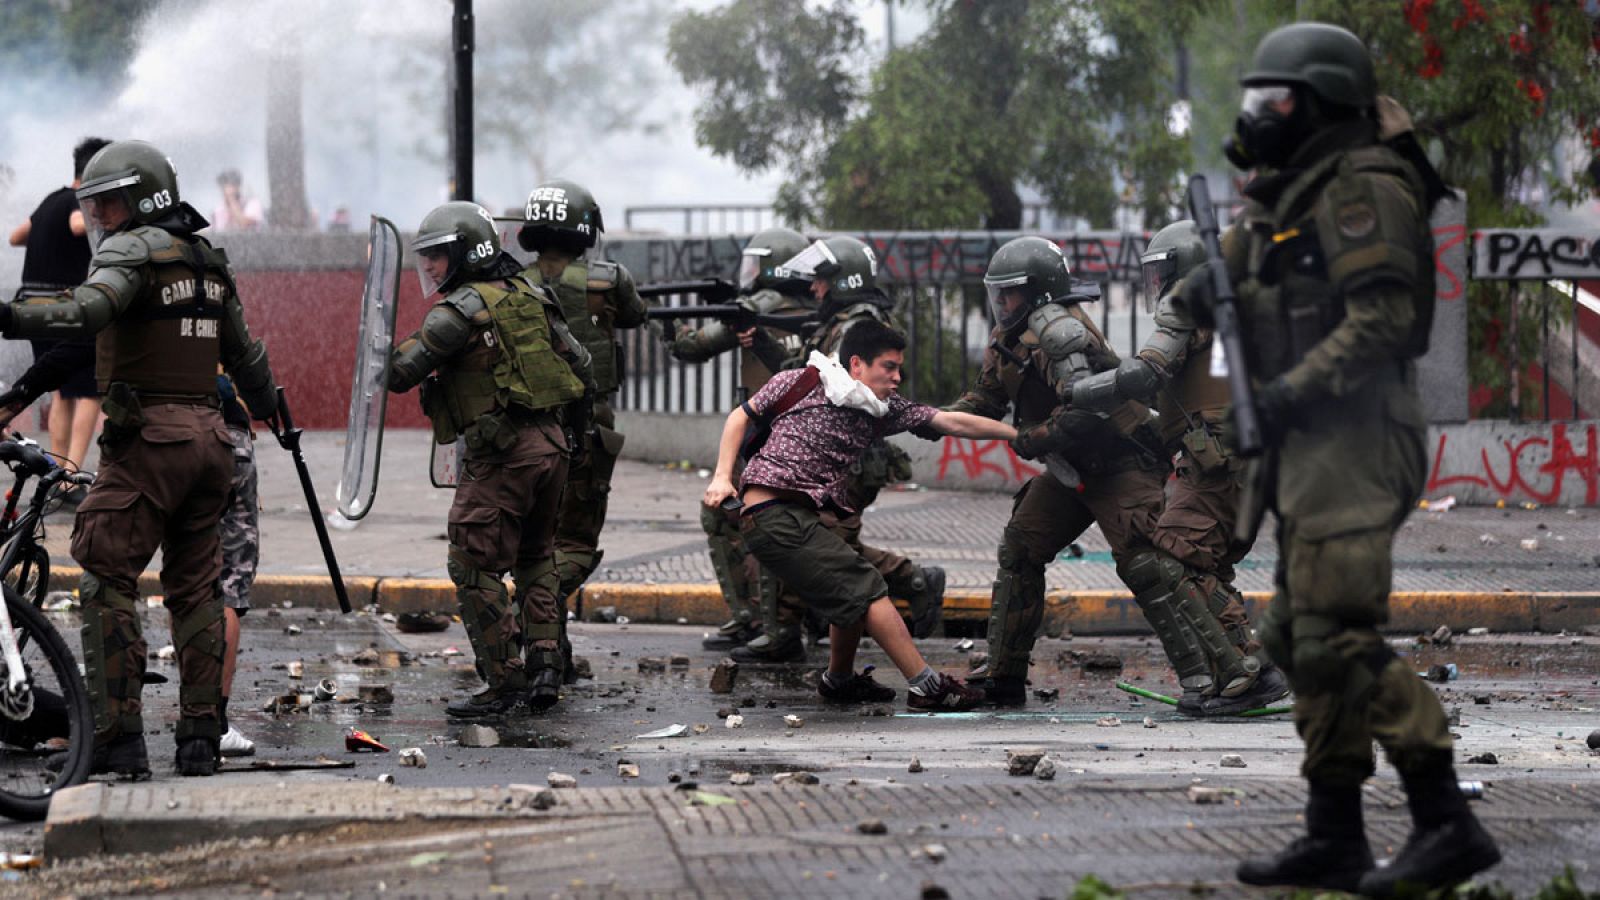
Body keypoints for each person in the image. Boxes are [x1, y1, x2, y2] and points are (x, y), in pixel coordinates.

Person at [1179, 22, 1500, 894]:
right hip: (1311, 443)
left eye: (1275, 100)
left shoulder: (1364, 184)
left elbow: (1385, 321)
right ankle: (1335, 833)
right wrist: (1213, 278)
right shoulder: (1292, 192)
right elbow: (1251, 286)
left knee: (1332, 634)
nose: (1260, 116)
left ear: (1319, 103)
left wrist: (1285, 392)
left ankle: (1447, 820)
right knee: (1296, 636)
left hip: (1356, 438)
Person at [0, 139, 281, 777]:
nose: (99, 219)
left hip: (149, 442)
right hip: (214, 444)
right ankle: (200, 740)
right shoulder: (208, 261)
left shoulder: (133, 250)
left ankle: (117, 740)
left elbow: (86, 313)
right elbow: (248, 360)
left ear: (141, 198)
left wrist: (8, 315)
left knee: (106, 576)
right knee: (198, 590)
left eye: (107, 205)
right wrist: (272, 411)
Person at [703, 318, 1012, 711]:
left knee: (847, 593)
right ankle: (927, 686)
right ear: (856, 365)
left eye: (900, 367)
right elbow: (739, 416)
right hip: (771, 514)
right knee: (867, 588)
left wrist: (1017, 438)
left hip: (798, 518)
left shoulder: (879, 410)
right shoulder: (802, 381)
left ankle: (840, 680)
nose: (898, 376)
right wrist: (720, 477)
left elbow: (951, 420)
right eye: (889, 366)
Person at [1069, 221, 1289, 716]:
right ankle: (1241, 671)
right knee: (1206, 564)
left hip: (1214, 463)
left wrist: (1081, 390)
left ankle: (1247, 672)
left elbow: (1145, 372)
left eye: (1161, 272)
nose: (1158, 284)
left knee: (1172, 557)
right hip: (1251, 461)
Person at [945, 236, 1172, 709]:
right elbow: (986, 400)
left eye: (1010, 292)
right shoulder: (1008, 338)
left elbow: (1087, 411)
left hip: (1120, 461)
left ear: (1037, 292)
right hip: (1072, 468)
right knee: (1021, 547)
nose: (1001, 302)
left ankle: (1223, 673)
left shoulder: (1060, 333)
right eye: (997, 292)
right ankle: (1004, 676)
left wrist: (1034, 438)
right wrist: (927, 418)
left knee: (1150, 566)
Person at [389, 201, 592, 716]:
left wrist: (380, 349)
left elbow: (399, 373)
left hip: (504, 457)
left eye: (438, 255)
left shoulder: (460, 309)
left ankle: (505, 680)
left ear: (467, 251)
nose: (431, 267)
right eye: (427, 257)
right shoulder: (530, 293)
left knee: (472, 564)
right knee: (536, 558)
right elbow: (582, 365)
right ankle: (546, 664)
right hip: (552, 448)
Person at [739, 235, 945, 665]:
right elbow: (804, 378)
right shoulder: (840, 322)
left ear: (845, 280)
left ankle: (908, 586)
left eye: (822, 282)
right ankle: (898, 589)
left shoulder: (855, 326)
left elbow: (830, 391)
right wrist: (761, 342)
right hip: (839, 460)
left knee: (823, 547)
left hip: (848, 464)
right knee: (827, 547)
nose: (815, 290)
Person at [663, 226, 815, 652]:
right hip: (809, 437)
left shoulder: (757, 308)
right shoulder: (820, 311)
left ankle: (757, 620)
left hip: (766, 438)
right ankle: (784, 620)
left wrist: (662, 317)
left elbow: (690, 348)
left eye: (757, 262)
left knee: (737, 516)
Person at [516, 179, 645, 677]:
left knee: (537, 539)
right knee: (575, 542)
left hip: (529, 426)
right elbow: (636, 315)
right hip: (589, 423)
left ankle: (552, 650)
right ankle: (533, 621)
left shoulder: (513, 282)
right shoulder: (607, 280)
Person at [6, 137, 111, 473]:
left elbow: (16, 236)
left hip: (32, 305)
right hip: (62, 308)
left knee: (60, 392)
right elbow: (77, 225)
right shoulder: (80, 203)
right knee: (90, 391)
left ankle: (57, 469)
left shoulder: (52, 198)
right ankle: (71, 474)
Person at [216, 372, 259, 757]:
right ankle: (214, 720)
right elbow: (253, 367)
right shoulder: (214, 309)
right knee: (229, 579)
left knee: (186, 574)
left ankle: (195, 711)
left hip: (164, 436)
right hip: (226, 433)